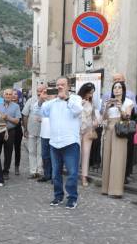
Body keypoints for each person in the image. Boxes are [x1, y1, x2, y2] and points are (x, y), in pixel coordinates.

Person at [41, 77, 83, 209]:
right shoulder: (52, 102)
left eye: (62, 85)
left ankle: (72, 198)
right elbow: (43, 112)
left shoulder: (75, 98)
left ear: (68, 86)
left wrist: (66, 98)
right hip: (54, 143)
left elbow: (77, 111)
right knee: (55, 173)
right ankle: (58, 196)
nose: (59, 87)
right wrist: (43, 99)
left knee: (72, 172)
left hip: (70, 142)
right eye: (57, 85)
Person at [101, 81, 134, 198]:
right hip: (109, 129)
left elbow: (127, 117)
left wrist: (120, 108)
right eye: (115, 87)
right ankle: (105, 188)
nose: (117, 89)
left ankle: (116, 190)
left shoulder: (128, 102)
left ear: (123, 90)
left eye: (120, 87)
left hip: (120, 130)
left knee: (118, 159)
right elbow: (104, 118)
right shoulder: (109, 101)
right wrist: (106, 107)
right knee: (107, 158)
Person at [78, 83, 100, 187]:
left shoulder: (92, 102)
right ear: (84, 91)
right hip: (77, 130)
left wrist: (96, 121)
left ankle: (84, 177)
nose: (90, 95)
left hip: (88, 130)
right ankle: (74, 175)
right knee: (76, 154)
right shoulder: (77, 99)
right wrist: (79, 105)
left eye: (92, 93)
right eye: (89, 93)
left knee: (86, 154)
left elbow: (94, 115)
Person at [22, 84, 46, 179]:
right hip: (31, 129)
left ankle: (39, 171)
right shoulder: (31, 100)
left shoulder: (49, 101)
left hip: (43, 131)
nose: (39, 93)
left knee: (40, 152)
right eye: (38, 91)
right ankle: (33, 171)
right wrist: (25, 129)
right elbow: (25, 115)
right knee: (31, 151)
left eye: (41, 91)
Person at [0, 88, 21, 180]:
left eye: (9, 94)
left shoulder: (16, 106)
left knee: (8, 152)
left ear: (12, 96)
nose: (8, 95)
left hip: (10, 132)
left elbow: (17, 121)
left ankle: (6, 171)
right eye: (6, 94)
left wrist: (7, 117)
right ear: (3, 95)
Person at [10, 89, 24, 175]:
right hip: (9, 129)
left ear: (18, 96)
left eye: (16, 94)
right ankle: (6, 167)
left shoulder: (21, 106)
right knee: (8, 149)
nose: (14, 95)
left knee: (17, 149)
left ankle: (16, 167)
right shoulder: (6, 105)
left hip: (18, 129)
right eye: (12, 94)